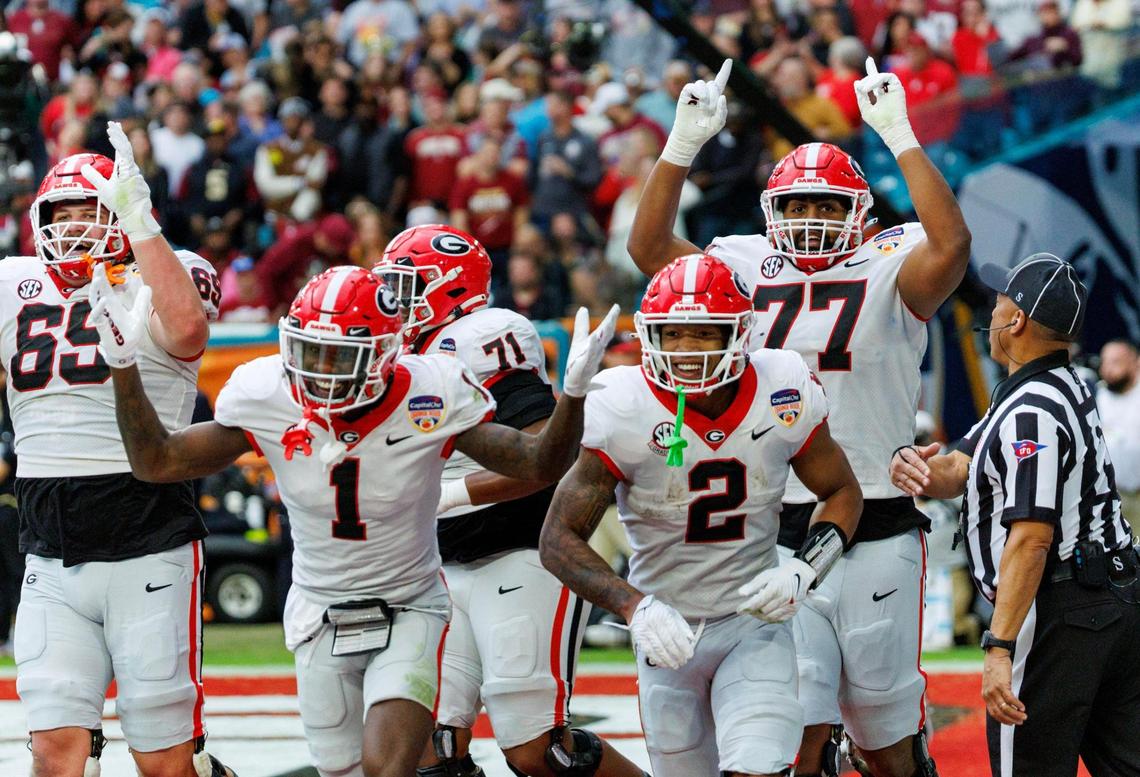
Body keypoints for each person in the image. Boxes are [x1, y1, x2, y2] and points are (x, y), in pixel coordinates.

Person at [90, 263, 618, 777]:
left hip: (409, 604)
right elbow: (156, 461)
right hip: (320, 609)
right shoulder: (268, 393)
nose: (321, 370)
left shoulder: (427, 392)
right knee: (340, 768)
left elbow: (538, 463)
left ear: (387, 353)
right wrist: (122, 365)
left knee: (389, 767)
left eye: (341, 356)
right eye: (310, 351)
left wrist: (570, 399)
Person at [628, 58, 972, 777]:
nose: (809, 219)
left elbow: (951, 247)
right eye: (796, 206)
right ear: (770, 213)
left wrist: (900, 134)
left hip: (877, 513)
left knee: (887, 741)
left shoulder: (891, 257)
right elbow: (652, 252)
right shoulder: (746, 264)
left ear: (860, 213)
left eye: (824, 205)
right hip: (775, 519)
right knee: (800, 730)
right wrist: (679, 147)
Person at [541, 253, 862, 777]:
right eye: (672, 334)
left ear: (739, 333)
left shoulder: (782, 387)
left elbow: (843, 490)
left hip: (752, 621)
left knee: (758, 767)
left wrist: (807, 567)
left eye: (704, 334)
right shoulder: (622, 404)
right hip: (665, 632)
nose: (686, 351)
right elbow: (557, 539)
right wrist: (633, 606)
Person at [0, 122, 233, 776]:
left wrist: (138, 220)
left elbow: (187, 332)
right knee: (53, 750)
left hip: (148, 531)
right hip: (48, 537)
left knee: (163, 762)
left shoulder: (170, 270)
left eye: (90, 210)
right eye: (61, 212)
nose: (74, 224)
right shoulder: (13, 281)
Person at [376, 225, 645, 777]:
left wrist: (448, 495)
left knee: (537, 750)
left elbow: (545, 456)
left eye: (407, 286)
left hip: (519, 551)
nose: (393, 302)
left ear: (449, 289)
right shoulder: (404, 353)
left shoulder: (480, 336)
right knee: (427, 744)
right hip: (441, 565)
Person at [890, 253, 1140, 777]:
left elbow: (1031, 538)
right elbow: (963, 462)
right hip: (1112, 598)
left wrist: (1000, 646)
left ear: (1018, 320)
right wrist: (920, 470)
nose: (994, 309)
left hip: (1061, 610)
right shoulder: (1058, 383)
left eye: (1001, 300)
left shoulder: (1032, 408)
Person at [1096, 339, 1140, 535]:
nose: (1108, 369)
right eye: (1105, 362)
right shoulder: (1099, 396)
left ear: (1135, 362)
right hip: (1120, 495)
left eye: (1115, 362)